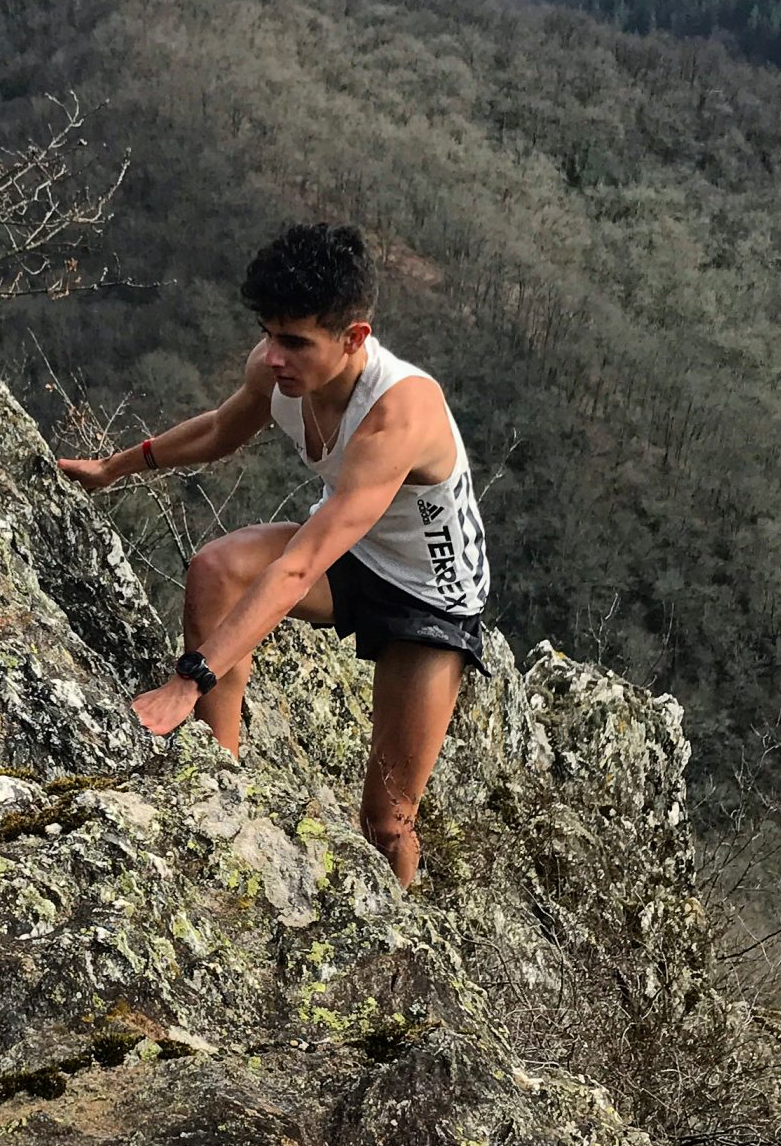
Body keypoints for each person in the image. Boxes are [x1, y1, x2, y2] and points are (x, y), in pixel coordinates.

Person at [59, 223, 491, 886]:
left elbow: (298, 568)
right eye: (268, 332)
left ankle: (406, 938)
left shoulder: (396, 415)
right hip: (357, 553)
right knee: (216, 570)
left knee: (387, 819)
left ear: (354, 339)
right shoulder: (274, 369)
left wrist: (187, 680)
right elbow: (218, 429)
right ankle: (220, 791)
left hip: (429, 599)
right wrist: (114, 468)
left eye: (294, 342)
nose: (273, 356)